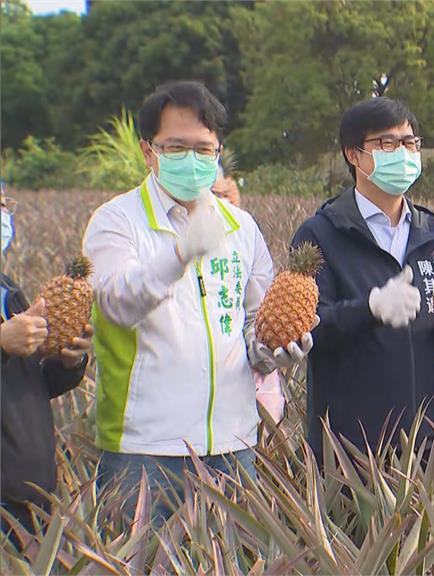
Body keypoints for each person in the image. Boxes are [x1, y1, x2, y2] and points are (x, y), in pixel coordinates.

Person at [82, 81, 311, 514]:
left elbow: (253, 320)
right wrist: (180, 253)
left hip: (234, 445)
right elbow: (116, 304)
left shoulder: (241, 227)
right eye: (176, 148)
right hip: (144, 450)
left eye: (204, 149)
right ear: (149, 151)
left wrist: (271, 350)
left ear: (218, 149)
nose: (192, 159)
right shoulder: (116, 221)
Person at [292, 97, 434, 462]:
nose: (403, 152)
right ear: (354, 155)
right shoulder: (321, 234)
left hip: (423, 441)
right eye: (387, 143)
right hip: (346, 446)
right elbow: (309, 331)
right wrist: (370, 308)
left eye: (410, 142)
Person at [1, 189, 92, 548]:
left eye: (4, 203)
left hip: (33, 494)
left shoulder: (7, 288)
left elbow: (29, 385)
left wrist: (68, 361)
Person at [213, 158, 286, 424]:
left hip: (250, 399)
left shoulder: (245, 233)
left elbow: (258, 314)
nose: (221, 202)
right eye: (214, 195)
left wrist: (270, 349)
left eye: (225, 194)